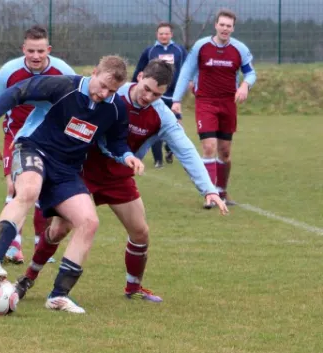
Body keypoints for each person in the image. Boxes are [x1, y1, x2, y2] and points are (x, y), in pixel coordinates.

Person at [14, 59, 228, 306]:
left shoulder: (162, 116)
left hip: (119, 178)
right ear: (138, 78)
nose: (149, 97)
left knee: (140, 232)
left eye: (157, 94)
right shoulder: (112, 94)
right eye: (147, 89)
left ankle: (133, 288)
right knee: (59, 230)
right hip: (83, 170)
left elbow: (186, 150)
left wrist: (208, 189)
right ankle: (28, 277)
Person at [0, 55, 144, 313]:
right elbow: (18, 92)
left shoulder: (115, 107)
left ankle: (58, 296)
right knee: (29, 189)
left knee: (89, 222)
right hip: (34, 148)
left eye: (112, 90)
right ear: (94, 71)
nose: (104, 93)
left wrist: (127, 155)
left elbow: (116, 141)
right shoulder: (63, 86)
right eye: (103, 85)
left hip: (67, 169)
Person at [0, 25, 75, 265]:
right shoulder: (8, 71)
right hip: (15, 136)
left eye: (40, 51)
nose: (35, 56)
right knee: (15, 188)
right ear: (23, 49)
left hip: (50, 137)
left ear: (49, 50)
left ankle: (39, 243)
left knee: (40, 192)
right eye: (31, 50)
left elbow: (77, 101)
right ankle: (12, 246)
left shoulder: (63, 71)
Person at [171, 9, 256, 208]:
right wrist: (176, 100)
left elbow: (251, 73)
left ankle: (222, 191)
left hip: (228, 103)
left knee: (225, 152)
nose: (225, 29)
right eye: (222, 25)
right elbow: (186, 72)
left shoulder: (239, 49)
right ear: (216, 25)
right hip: (206, 101)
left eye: (229, 26)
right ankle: (210, 195)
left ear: (233, 28)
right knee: (209, 147)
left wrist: (245, 85)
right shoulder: (201, 46)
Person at [132, 22, 187, 168]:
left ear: (171, 34)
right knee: (155, 126)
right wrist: (132, 86)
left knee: (177, 127)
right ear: (157, 35)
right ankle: (158, 160)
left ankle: (170, 149)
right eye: (161, 33)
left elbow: (188, 69)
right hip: (156, 96)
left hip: (174, 97)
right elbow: (139, 69)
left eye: (167, 33)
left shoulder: (179, 50)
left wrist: (192, 81)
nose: (164, 36)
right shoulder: (150, 51)